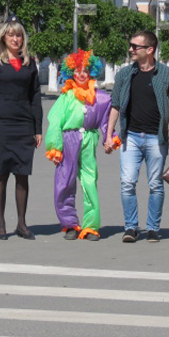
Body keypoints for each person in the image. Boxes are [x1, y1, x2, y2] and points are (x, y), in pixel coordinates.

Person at [104, 30, 169, 243]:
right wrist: (109, 134)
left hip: (155, 139)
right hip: (130, 137)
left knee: (155, 184)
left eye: (135, 46)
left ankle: (152, 228)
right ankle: (131, 227)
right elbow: (115, 105)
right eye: (130, 45)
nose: (130, 49)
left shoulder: (167, 74)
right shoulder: (124, 74)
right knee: (127, 183)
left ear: (150, 50)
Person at [45, 50, 120, 241]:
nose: (81, 74)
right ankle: (69, 223)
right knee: (64, 182)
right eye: (77, 70)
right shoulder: (65, 96)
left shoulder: (101, 98)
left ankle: (90, 225)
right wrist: (54, 146)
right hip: (67, 139)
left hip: (88, 139)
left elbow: (105, 122)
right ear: (71, 72)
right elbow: (55, 122)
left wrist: (110, 138)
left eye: (85, 70)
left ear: (92, 72)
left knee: (89, 180)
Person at [0, 15, 42, 241]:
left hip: (24, 124)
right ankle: (0, 224)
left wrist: (37, 127)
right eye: (11, 35)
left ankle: (22, 224)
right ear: (3, 37)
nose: (15, 39)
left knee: (22, 174)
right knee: (1, 174)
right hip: (2, 123)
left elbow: (35, 95)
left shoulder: (29, 62)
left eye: (19, 35)